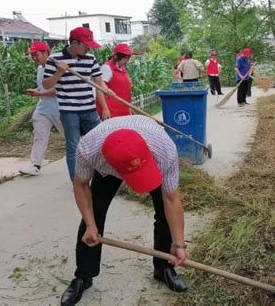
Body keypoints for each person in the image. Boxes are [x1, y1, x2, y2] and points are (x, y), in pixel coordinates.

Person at [60, 115, 188, 306]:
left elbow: (172, 199)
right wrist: (90, 225)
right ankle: (83, 276)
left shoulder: (164, 150)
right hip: (108, 162)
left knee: (164, 212)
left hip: (150, 157)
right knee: (93, 214)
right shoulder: (88, 149)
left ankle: (163, 268)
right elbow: (81, 185)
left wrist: (178, 244)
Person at [43, 27, 114, 182]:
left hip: (90, 110)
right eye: (85, 44)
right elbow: (47, 85)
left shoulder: (90, 59)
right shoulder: (55, 60)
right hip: (69, 112)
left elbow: (98, 83)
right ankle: (78, 183)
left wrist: (106, 106)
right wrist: (59, 72)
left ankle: (103, 179)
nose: (88, 48)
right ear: (74, 43)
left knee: (101, 144)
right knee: (74, 148)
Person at [19, 41, 64, 176]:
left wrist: (40, 93)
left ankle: (85, 164)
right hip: (43, 109)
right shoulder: (40, 69)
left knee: (71, 139)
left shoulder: (58, 68)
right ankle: (35, 165)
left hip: (59, 109)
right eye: (31, 55)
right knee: (39, 137)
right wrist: (37, 91)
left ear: (46, 53)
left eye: (36, 54)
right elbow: (43, 86)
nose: (33, 58)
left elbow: (59, 89)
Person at [96, 43, 135, 117]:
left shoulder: (122, 68)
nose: (126, 60)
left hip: (122, 111)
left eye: (128, 58)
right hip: (112, 112)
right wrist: (105, 109)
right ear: (116, 56)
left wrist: (129, 106)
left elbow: (125, 90)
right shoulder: (107, 68)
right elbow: (99, 87)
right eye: (124, 58)